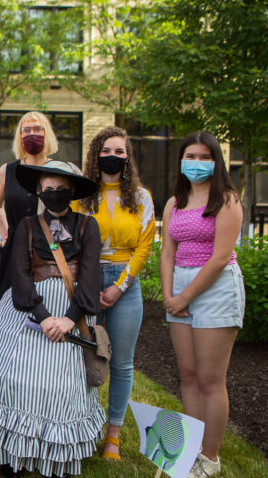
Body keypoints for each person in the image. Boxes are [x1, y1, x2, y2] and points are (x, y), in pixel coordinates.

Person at [0, 160, 104, 478]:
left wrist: (68, 320)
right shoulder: (26, 226)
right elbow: (20, 276)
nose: (55, 194)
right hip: (29, 309)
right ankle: (9, 453)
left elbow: (92, 276)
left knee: (61, 388)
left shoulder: (87, 226)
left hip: (72, 309)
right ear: (39, 191)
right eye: (49, 189)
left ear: (73, 192)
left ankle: (55, 455)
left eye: (62, 189)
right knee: (11, 377)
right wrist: (42, 318)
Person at [160, 132, 244, 478]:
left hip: (215, 289)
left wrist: (184, 297)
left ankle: (209, 458)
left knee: (211, 379)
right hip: (179, 286)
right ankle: (190, 451)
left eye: (204, 156)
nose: (196, 162)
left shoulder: (227, 200)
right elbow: (167, 251)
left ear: (216, 161)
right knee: (189, 376)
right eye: (189, 156)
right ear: (181, 161)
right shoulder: (173, 203)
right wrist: (169, 295)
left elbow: (221, 257)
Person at [73, 126, 155, 460]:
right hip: (88, 281)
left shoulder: (141, 197)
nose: (113, 157)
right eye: (107, 150)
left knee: (121, 362)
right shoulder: (81, 197)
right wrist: (90, 286)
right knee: (82, 358)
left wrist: (120, 286)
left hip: (124, 284)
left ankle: (113, 436)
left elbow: (145, 246)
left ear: (127, 157)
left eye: (120, 152)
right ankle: (81, 425)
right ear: (96, 154)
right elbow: (75, 244)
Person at [0, 111, 59, 302]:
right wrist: (5, 232)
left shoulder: (60, 170)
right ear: (20, 137)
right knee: (11, 304)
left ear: (47, 133)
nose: (32, 134)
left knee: (48, 303)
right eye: (27, 130)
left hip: (50, 249)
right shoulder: (8, 170)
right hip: (14, 249)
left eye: (38, 129)